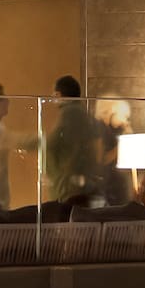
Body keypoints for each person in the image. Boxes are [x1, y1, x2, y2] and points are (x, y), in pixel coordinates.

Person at [42, 75, 102, 203]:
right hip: (81, 182)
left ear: (59, 94)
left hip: (70, 185)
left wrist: (21, 141)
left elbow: (53, 141)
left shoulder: (69, 113)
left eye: (55, 93)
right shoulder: (82, 112)